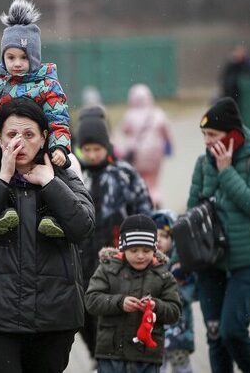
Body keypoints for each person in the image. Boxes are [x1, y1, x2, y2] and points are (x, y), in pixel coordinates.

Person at [0, 97, 95, 373]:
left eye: (29, 134)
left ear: (44, 138)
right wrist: (2, 178)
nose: (19, 142)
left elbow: (83, 226)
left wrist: (50, 182)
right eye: (11, 134)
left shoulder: (64, 177)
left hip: (54, 316)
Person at [0, 0, 71, 237]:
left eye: (24, 58)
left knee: (51, 172)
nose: (17, 64)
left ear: (34, 57)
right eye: (11, 58)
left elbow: (58, 119)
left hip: (37, 146)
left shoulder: (47, 85)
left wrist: (60, 147)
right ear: (3, 57)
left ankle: (51, 216)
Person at [187, 97, 250, 373]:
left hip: (246, 262)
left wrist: (226, 172)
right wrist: (178, 259)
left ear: (233, 135)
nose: (207, 142)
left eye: (213, 135)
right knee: (215, 337)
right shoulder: (202, 164)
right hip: (210, 262)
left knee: (233, 331)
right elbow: (191, 217)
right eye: (204, 135)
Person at [76, 105, 154, 359]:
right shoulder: (75, 176)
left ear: (107, 146)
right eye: (86, 150)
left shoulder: (123, 174)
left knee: (111, 318)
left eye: (96, 149)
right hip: (81, 261)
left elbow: (143, 210)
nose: (91, 155)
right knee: (84, 319)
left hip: (115, 261)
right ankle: (98, 358)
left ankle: (111, 359)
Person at [85, 214, 181, 373]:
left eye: (146, 250)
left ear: (155, 249)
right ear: (123, 248)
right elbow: (91, 300)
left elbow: (174, 311)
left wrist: (155, 306)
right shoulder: (108, 269)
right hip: (111, 354)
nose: (141, 255)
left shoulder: (163, 275)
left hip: (147, 357)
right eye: (134, 250)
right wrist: (119, 302)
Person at [151, 210, 196, 373]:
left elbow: (190, 294)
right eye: (154, 235)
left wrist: (181, 281)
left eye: (164, 235)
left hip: (179, 332)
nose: (158, 240)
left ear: (174, 238)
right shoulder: (147, 265)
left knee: (182, 368)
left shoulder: (181, 266)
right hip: (154, 334)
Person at [116, 83, 173, 208]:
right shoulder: (158, 113)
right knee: (154, 181)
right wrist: (169, 148)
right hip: (156, 153)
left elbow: (124, 131)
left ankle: (145, 202)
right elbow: (167, 133)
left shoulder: (130, 115)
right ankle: (156, 198)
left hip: (137, 155)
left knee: (140, 180)